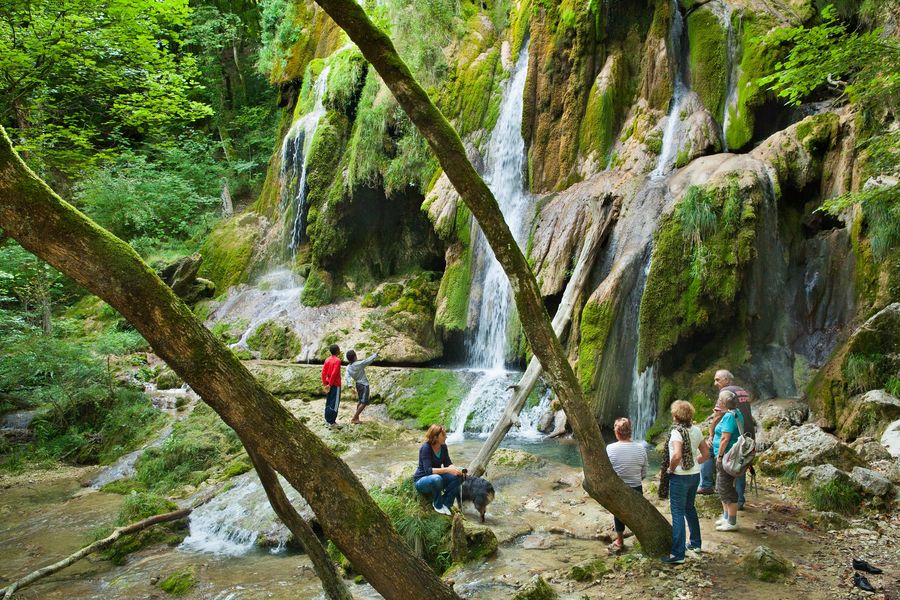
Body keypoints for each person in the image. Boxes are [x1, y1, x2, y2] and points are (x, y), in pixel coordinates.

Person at [698, 369, 755, 509]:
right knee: (739, 463)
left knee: (708, 450)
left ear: (727, 380)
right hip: (746, 433)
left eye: (718, 379)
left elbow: (718, 415)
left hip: (732, 433)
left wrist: (711, 434)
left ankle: (706, 485)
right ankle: (740, 501)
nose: (715, 383)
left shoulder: (725, 392)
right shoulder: (741, 391)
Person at [661, 401, 709, 564]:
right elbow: (706, 454)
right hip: (694, 475)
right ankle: (695, 543)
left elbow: (676, 455)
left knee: (677, 513)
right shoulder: (696, 430)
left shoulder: (676, 432)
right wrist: (694, 463)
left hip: (679, 476)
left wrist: (670, 469)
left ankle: (678, 554)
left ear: (676, 416)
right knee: (690, 508)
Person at [606, 417, 648, 552]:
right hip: (636, 487)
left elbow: (607, 471)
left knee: (618, 513)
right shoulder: (641, 448)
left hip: (618, 488)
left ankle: (620, 540)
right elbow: (644, 472)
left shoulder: (610, 448)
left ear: (616, 432)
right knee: (638, 514)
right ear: (630, 431)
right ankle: (642, 540)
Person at [413, 424, 464, 515]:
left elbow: (448, 463)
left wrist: (456, 470)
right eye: (443, 435)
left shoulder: (443, 447)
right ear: (435, 437)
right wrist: (448, 470)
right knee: (436, 478)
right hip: (422, 480)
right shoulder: (426, 448)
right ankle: (437, 504)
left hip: (437, 478)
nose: (446, 437)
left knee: (458, 477)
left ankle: (446, 503)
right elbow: (428, 471)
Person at [713, 390, 744, 531]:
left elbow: (725, 438)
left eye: (719, 400)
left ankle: (732, 522)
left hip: (726, 457)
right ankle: (726, 517)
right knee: (722, 487)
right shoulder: (736, 413)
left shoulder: (729, 417)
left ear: (723, 403)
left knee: (726, 488)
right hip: (729, 457)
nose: (718, 401)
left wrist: (719, 457)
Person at [346, 349, 378, 424]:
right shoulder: (358, 364)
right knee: (364, 402)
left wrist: (350, 385)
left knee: (360, 401)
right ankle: (354, 418)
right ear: (355, 357)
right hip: (364, 385)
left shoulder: (348, 367)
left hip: (358, 384)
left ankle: (357, 418)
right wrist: (375, 354)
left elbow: (347, 377)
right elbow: (367, 361)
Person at [321, 344, 342, 426]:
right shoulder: (337, 360)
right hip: (335, 384)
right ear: (337, 351)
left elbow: (323, 373)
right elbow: (334, 373)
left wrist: (325, 384)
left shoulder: (327, 359)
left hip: (328, 384)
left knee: (329, 401)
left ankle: (327, 419)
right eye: (339, 349)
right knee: (335, 402)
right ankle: (332, 421)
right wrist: (330, 384)